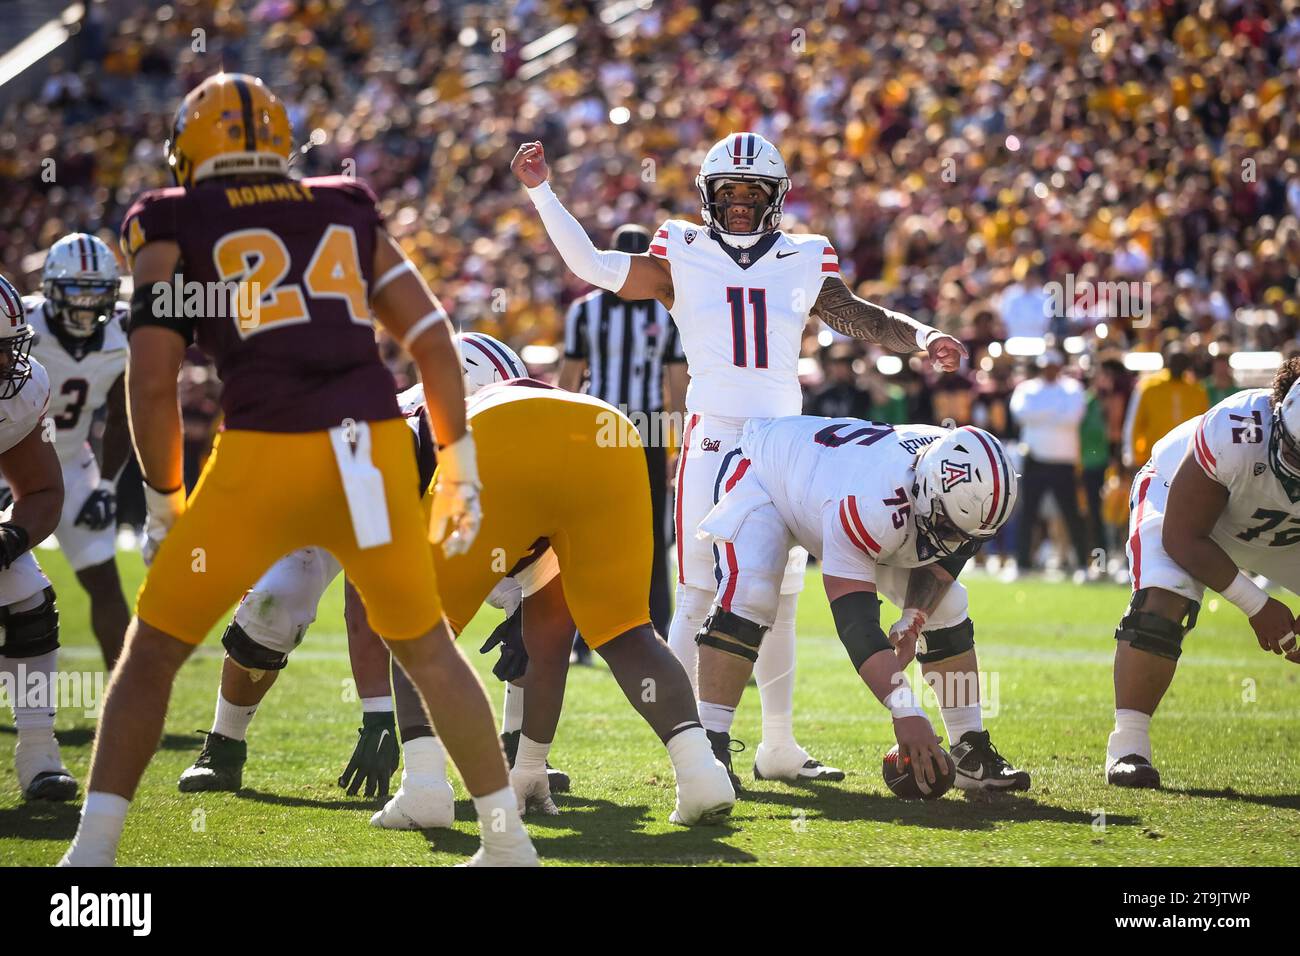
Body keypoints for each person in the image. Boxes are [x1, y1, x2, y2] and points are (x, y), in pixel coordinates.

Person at [59, 73, 534, 867]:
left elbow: (150, 381)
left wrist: (164, 497)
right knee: (426, 647)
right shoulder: (341, 206)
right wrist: (458, 461)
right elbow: (432, 337)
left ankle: (94, 852)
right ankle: (506, 839)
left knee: (152, 654)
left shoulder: (172, 217)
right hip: (371, 449)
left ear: (190, 151)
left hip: (264, 448)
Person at [513, 132, 966, 787]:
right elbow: (592, 265)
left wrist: (922, 336)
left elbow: (858, 317)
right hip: (714, 432)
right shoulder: (681, 248)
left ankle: (776, 745)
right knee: (701, 586)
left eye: (754, 194)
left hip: (784, 439)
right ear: (709, 196)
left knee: (780, 594)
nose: (741, 205)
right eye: (730, 193)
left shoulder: (804, 254)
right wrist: (541, 192)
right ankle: (691, 745)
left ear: (775, 198)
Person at [695, 418, 1031, 790]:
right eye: (949, 528)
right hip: (767, 476)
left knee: (948, 605)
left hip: (837, 490)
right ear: (926, 490)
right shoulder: (870, 501)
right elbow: (856, 625)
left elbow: (949, 557)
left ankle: (969, 752)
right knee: (752, 594)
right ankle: (708, 749)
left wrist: (913, 618)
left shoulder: (964, 490)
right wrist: (905, 709)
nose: (955, 544)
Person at [1106, 357, 1300, 788]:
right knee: (1163, 599)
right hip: (1184, 504)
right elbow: (1182, 537)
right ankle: (1129, 746)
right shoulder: (1237, 427)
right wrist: (1257, 605)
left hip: (1283, 531)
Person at [558, 223, 687, 636]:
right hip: (600, 424)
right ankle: (580, 629)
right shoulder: (585, 311)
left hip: (646, 429)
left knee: (650, 533)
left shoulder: (666, 312)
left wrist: (677, 444)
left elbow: (677, 382)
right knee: (588, 528)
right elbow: (572, 377)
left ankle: (654, 625)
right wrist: (566, 436)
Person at [14, 233, 133, 670]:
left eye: (95, 293)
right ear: (50, 289)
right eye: (76, 293)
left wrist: (105, 484)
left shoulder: (123, 330)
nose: (85, 305)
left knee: (105, 579)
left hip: (70, 462)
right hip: (9, 458)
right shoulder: (21, 322)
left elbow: (122, 418)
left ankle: (124, 695)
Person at [0, 274, 75, 803]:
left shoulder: (20, 392)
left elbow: (43, 489)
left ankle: (37, 750)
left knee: (25, 591)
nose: (9, 365)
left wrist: (11, 536)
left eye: (8, 351)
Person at [1009, 349, 1090, 576]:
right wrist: (1055, 413)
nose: (1049, 371)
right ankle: (1022, 563)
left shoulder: (1072, 389)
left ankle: (1083, 564)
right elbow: (1020, 413)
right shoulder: (1026, 388)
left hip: (1063, 462)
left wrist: (1040, 415)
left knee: (1071, 514)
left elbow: (1073, 417)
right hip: (1034, 459)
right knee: (1027, 513)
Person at [1122, 343, 1210, 469]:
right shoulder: (1149, 386)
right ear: (1166, 361)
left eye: (1182, 361)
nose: (1178, 365)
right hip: (1153, 459)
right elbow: (1133, 423)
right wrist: (1131, 455)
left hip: (1187, 460)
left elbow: (1204, 426)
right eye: (1175, 360)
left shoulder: (1197, 390)